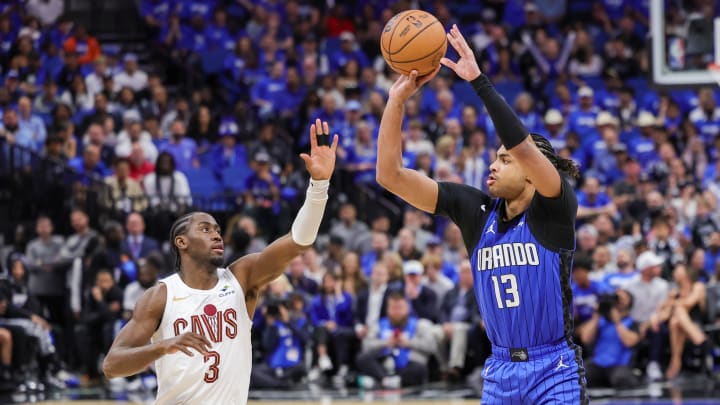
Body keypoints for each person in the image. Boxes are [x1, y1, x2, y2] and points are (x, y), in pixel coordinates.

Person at [375, 25, 587, 403]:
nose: (493, 165)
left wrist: (478, 81)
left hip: (554, 369)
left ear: (532, 173)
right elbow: (389, 176)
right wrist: (396, 102)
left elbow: (522, 144)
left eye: (505, 159)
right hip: (499, 372)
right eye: (494, 157)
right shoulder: (476, 212)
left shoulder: (556, 208)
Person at [102, 119, 338, 404]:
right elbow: (113, 365)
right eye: (205, 229)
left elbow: (298, 242)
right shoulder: (161, 296)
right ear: (181, 242)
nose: (216, 235)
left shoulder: (242, 277)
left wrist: (319, 186)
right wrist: (163, 346)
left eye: (216, 229)